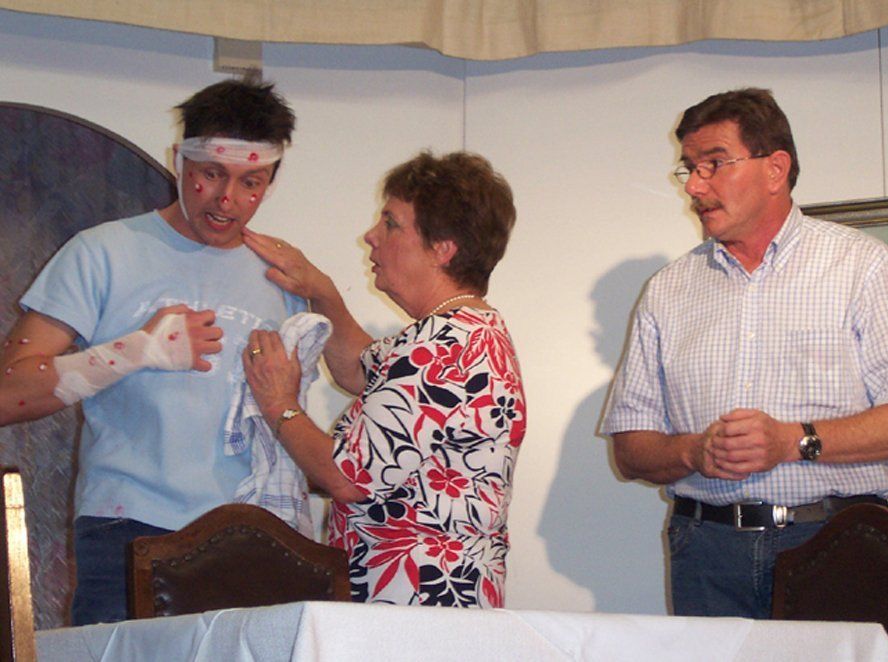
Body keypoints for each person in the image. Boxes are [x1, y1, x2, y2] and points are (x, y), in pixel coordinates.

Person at [602, 88, 888, 618]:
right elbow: (630, 449)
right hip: (705, 549)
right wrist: (695, 452)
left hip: (835, 544)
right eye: (690, 169)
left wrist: (792, 441)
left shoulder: (862, 266)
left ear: (775, 169)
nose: (695, 186)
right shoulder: (667, 290)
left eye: (714, 163)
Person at [0, 77, 303, 624]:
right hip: (128, 529)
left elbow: (355, 378)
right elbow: (7, 394)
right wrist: (133, 351)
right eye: (211, 174)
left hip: (252, 536)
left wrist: (327, 294)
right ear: (179, 161)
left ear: (272, 181)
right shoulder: (103, 251)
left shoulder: (282, 271)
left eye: (251, 182)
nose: (227, 199)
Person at [241, 151, 527, 606]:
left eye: (391, 224)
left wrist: (279, 402)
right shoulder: (464, 333)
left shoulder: (443, 346)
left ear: (442, 248)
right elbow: (358, 368)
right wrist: (322, 291)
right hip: (435, 601)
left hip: (414, 604)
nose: (371, 236)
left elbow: (346, 478)